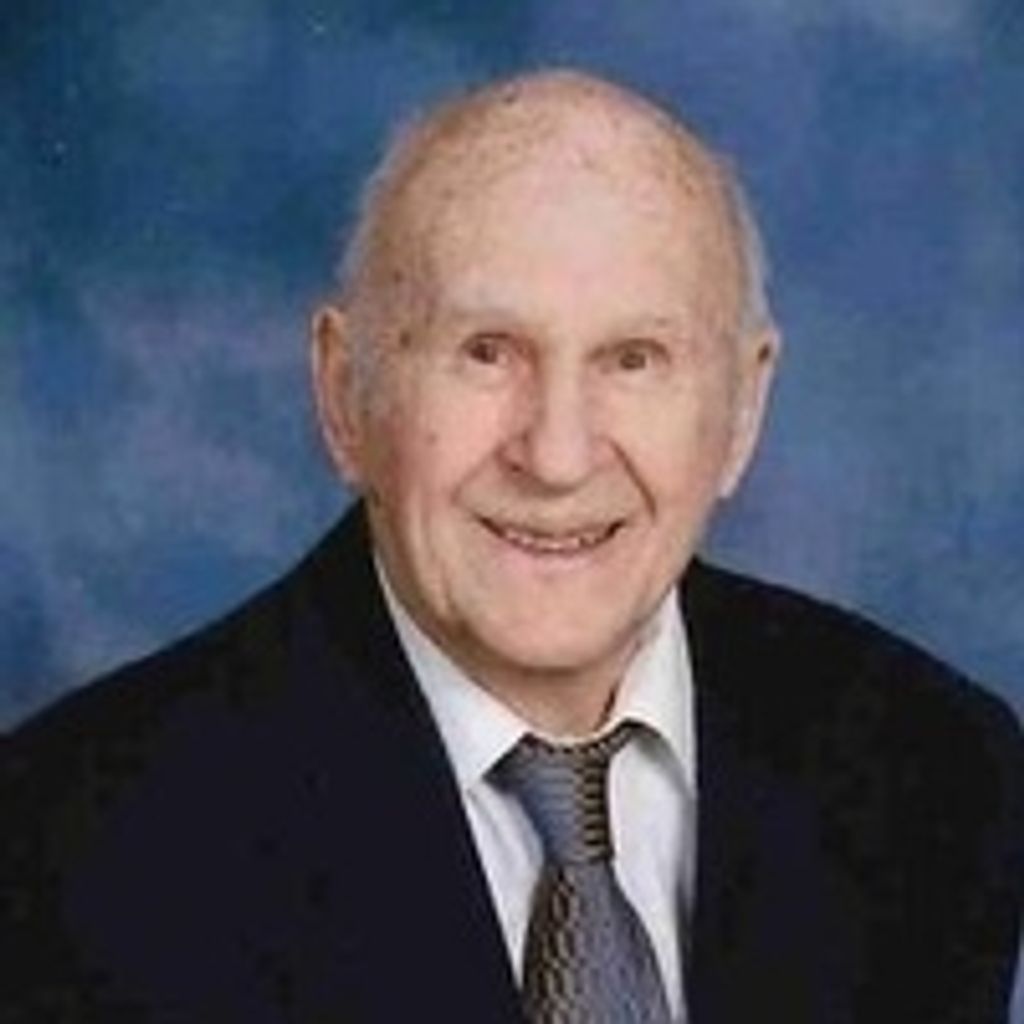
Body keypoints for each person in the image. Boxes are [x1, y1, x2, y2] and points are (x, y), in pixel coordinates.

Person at [2, 69, 1021, 1023]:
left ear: (744, 408)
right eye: (486, 352)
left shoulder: (938, 771)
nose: (557, 455)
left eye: (634, 358)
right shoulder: (69, 846)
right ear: (345, 393)